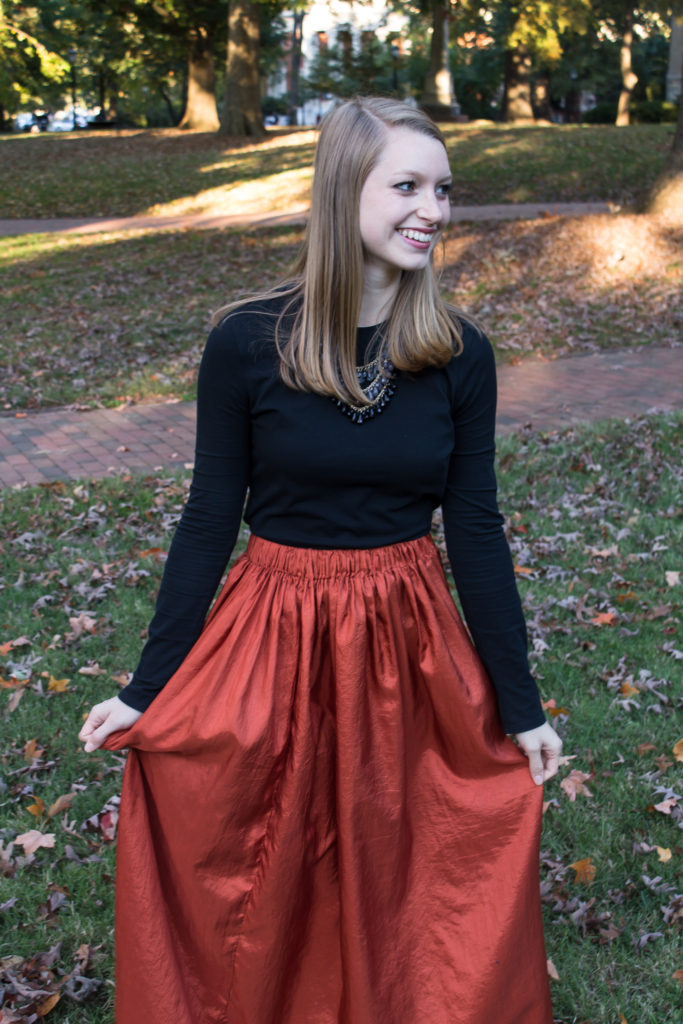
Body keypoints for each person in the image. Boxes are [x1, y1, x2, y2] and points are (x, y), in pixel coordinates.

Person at [79, 96, 562, 1024]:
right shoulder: (247, 342)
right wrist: (147, 688)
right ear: (344, 191)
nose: (434, 209)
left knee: (403, 852)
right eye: (407, 186)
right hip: (275, 621)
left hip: (406, 632)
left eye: (444, 189)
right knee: (264, 845)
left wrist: (520, 700)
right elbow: (208, 516)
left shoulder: (458, 355)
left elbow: (475, 529)